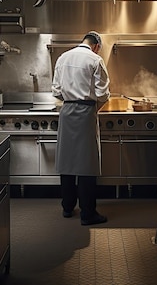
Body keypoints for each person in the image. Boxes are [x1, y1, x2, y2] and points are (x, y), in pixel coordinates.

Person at [51, 31, 110, 225]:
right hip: (86, 113)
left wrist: (70, 101)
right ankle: (88, 214)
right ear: (97, 46)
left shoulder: (63, 57)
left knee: (67, 163)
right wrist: (93, 109)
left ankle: (67, 208)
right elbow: (103, 94)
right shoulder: (96, 60)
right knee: (87, 165)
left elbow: (56, 91)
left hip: (67, 112)